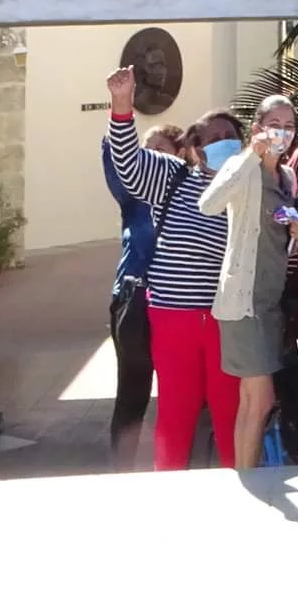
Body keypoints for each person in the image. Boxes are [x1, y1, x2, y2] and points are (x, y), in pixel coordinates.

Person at [102, 68, 241, 470]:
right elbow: (127, 164)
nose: (221, 144)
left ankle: (240, 491)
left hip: (224, 319)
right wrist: (122, 105)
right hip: (173, 315)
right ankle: (170, 492)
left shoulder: (252, 182)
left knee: (228, 410)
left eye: (230, 138)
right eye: (212, 139)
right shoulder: (172, 177)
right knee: (176, 412)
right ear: (195, 147)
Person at [199, 97, 298, 468]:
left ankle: (244, 474)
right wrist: (250, 155)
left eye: (289, 125)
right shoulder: (241, 166)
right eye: (274, 123)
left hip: (270, 303)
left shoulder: (289, 176)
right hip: (242, 302)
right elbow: (208, 204)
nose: (282, 131)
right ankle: (247, 478)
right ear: (258, 126)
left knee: (252, 399)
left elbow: (282, 236)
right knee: (259, 400)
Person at [103, 122, 179, 466]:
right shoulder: (132, 195)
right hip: (133, 300)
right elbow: (116, 160)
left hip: (175, 302)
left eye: (158, 150)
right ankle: (122, 471)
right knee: (132, 393)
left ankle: (172, 465)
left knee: (178, 393)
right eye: (144, 150)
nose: (148, 157)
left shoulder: (189, 194)